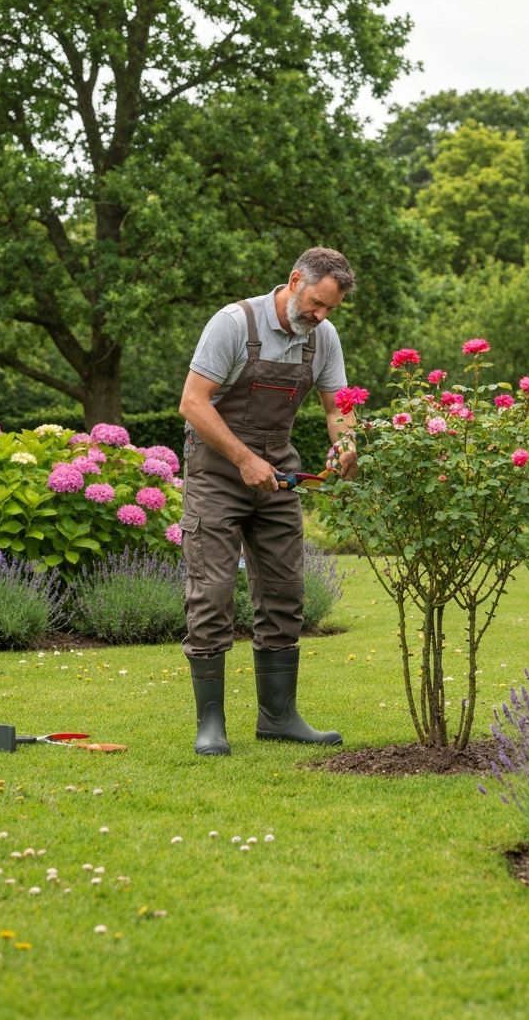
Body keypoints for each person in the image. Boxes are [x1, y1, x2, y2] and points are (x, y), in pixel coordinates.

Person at [178, 247, 359, 756]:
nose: (320, 316)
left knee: (285, 592)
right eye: (316, 303)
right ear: (295, 279)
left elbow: (337, 407)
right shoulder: (234, 324)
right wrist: (242, 459)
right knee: (211, 592)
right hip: (217, 473)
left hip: (279, 474)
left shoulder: (321, 339)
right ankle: (210, 723)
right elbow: (192, 404)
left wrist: (346, 443)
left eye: (330, 309)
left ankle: (278, 717)